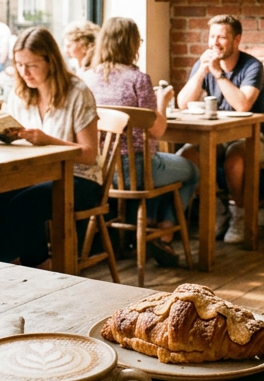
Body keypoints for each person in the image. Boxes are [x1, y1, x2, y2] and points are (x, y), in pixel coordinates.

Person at [0, 25, 102, 267]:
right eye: (19, 64)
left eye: (32, 65)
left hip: (80, 178)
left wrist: (48, 140)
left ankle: (40, 268)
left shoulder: (78, 93)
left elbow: (89, 155)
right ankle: (9, 266)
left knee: (24, 206)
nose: (24, 72)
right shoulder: (19, 93)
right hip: (34, 175)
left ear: (51, 61)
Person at [82, 17, 199, 265]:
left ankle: (152, 230)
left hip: (100, 171)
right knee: (191, 170)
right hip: (134, 170)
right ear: (133, 45)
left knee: (158, 166)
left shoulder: (87, 78)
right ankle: (164, 234)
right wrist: (163, 102)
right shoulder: (138, 79)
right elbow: (156, 130)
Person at [177, 13, 264, 244]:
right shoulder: (203, 65)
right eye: (212, 36)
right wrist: (201, 71)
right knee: (187, 156)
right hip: (215, 136)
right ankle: (217, 210)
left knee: (234, 161)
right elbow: (183, 103)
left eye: (222, 37)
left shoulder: (252, 66)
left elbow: (242, 104)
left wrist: (217, 73)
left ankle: (240, 215)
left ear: (237, 40)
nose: (215, 42)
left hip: (253, 138)